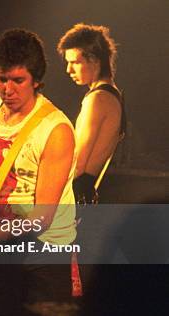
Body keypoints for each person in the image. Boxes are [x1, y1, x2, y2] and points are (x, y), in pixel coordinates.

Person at [0, 28, 77, 316]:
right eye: (2, 79)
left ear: (36, 79)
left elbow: (42, 217)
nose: (8, 89)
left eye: (18, 80)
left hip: (43, 255)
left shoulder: (55, 129)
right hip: (0, 250)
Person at [57, 23, 124, 204]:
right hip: (85, 195)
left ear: (94, 60)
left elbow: (77, 164)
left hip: (75, 197)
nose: (68, 70)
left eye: (75, 62)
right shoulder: (112, 95)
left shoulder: (97, 99)